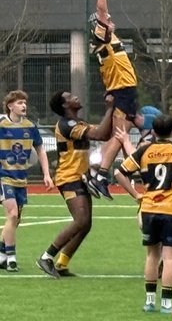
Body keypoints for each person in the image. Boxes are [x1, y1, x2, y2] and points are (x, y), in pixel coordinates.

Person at [113, 114, 172, 315]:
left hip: (149, 208)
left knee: (151, 255)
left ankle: (149, 302)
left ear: (153, 132)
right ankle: (166, 304)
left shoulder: (144, 150)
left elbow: (118, 173)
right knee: (170, 257)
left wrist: (136, 196)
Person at [36, 91, 121, 278]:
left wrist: (113, 110)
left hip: (79, 176)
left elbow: (105, 134)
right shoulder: (67, 125)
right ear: (65, 105)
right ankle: (46, 256)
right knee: (81, 220)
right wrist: (109, 108)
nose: (76, 97)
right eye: (70, 97)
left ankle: (61, 264)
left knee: (86, 224)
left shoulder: (79, 123)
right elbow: (99, 134)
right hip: (68, 178)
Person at [86, 0, 143, 200]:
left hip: (123, 91)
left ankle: (98, 175)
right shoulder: (101, 36)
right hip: (122, 91)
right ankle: (98, 175)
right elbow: (101, 10)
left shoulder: (110, 38)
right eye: (107, 20)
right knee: (120, 135)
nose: (110, 20)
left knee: (119, 136)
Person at [0, 90, 54, 273]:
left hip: (21, 179)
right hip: (3, 177)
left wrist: (47, 174)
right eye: (20, 103)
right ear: (10, 106)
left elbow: (40, 150)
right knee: (12, 214)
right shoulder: (1, 126)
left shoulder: (30, 127)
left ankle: (1, 253)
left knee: (15, 220)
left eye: (25, 103)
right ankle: (11, 259)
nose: (24, 106)